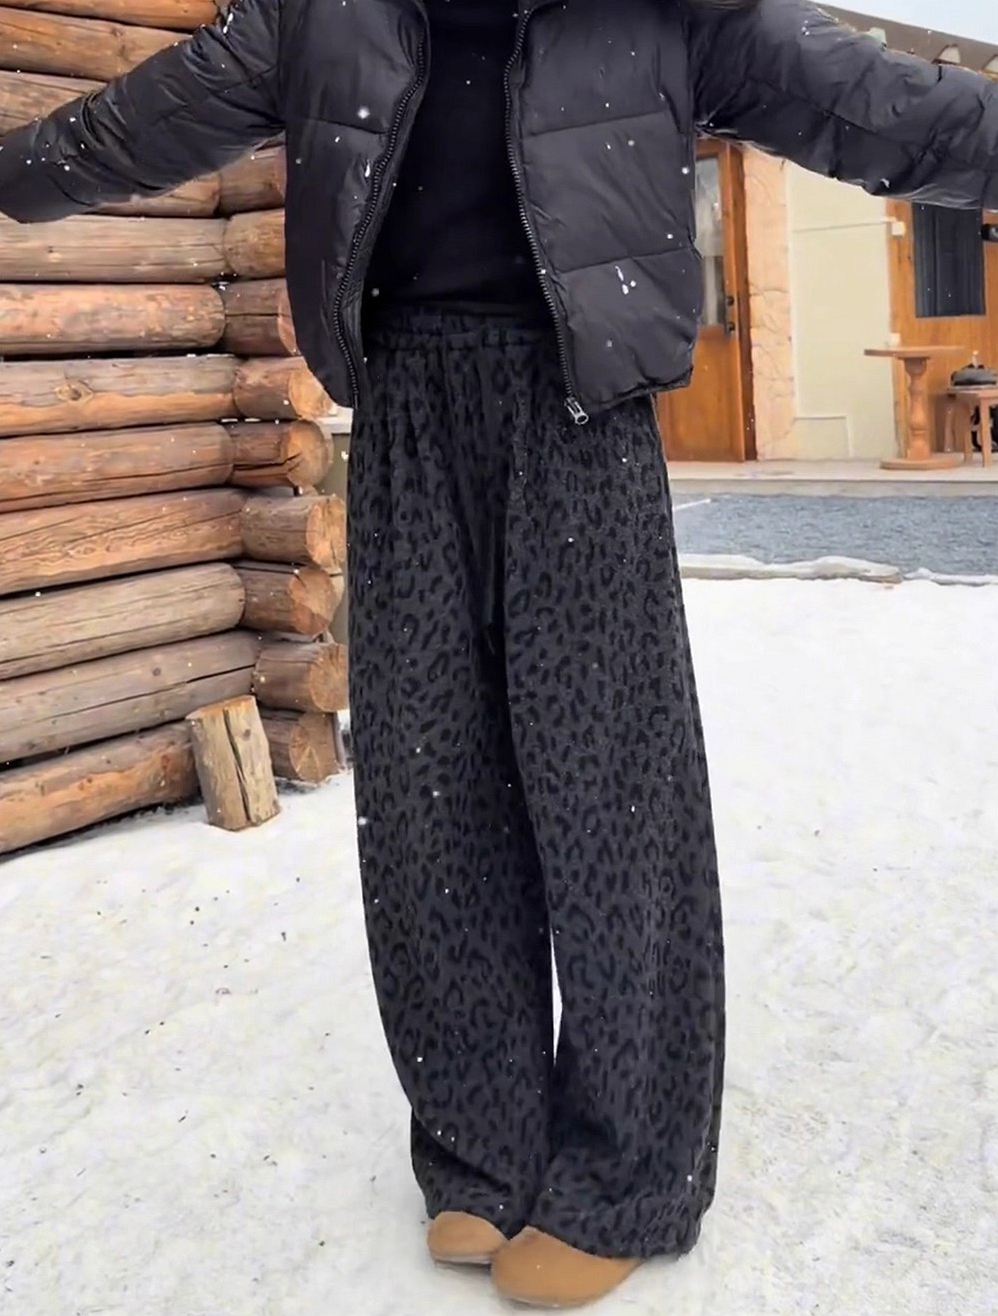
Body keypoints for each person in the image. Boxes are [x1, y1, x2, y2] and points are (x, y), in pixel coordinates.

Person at [3, 0, 996, 1304]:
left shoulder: (659, 12)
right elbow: (139, 123)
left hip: (579, 417)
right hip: (408, 413)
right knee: (431, 798)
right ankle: (481, 1144)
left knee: (610, 805)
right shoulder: (322, 15)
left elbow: (871, 103)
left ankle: (631, 1171)